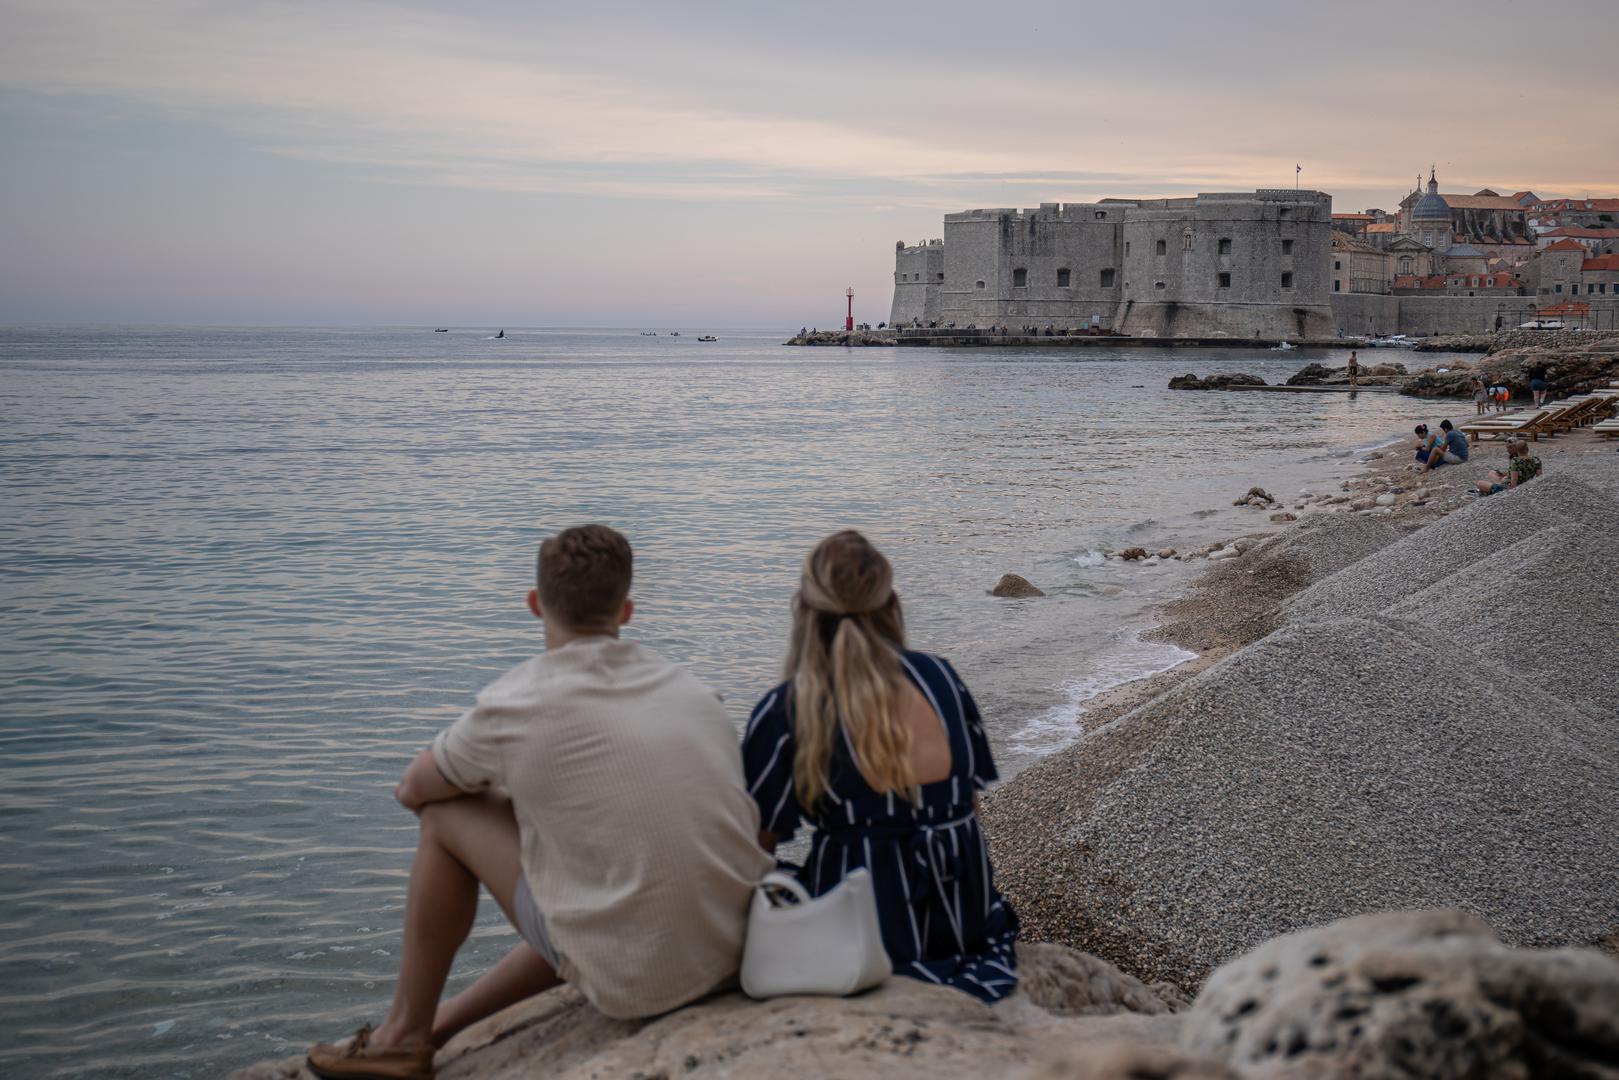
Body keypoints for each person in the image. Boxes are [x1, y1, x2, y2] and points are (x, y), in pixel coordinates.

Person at [306, 525, 770, 1080]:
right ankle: (440, 1027)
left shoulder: (517, 704)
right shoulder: (694, 693)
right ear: (626, 610)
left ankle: (400, 1037)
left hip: (642, 980)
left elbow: (414, 791)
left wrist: (502, 792)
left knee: (445, 816)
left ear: (533, 604)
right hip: (738, 949)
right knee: (595, 879)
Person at [742, 531, 1019, 1003]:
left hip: (863, 925)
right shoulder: (941, 678)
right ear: (891, 602)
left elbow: (753, 845)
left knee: (771, 881)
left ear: (802, 608)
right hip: (964, 917)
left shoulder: (789, 708)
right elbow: (969, 803)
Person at [1475, 439, 1542, 495]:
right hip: (1523, 484)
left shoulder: (1516, 461)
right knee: (1493, 474)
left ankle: (1494, 490)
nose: (1508, 450)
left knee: (1479, 483)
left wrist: (1511, 493)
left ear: (1517, 450)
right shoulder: (1536, 459)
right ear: (1527, 449)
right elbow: (1539, 477)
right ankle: (1490, 488)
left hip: (1506, 487)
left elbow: (1514, 479)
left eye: (1510, 447)